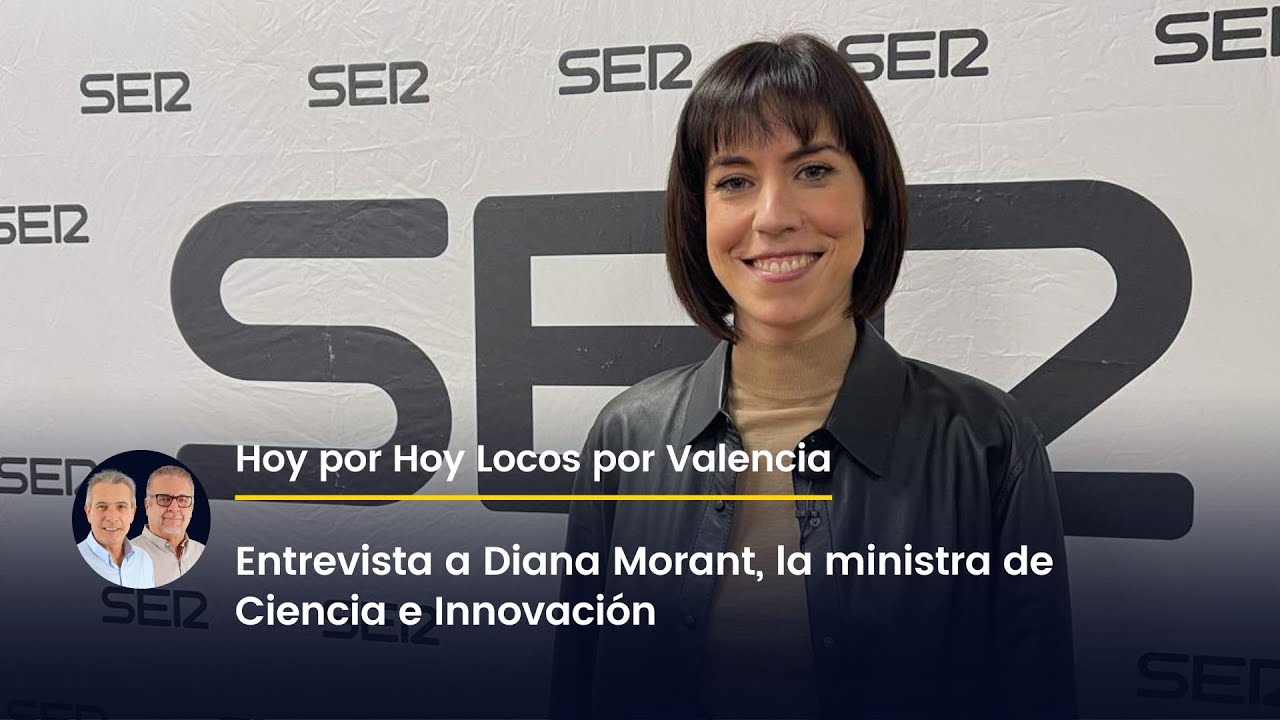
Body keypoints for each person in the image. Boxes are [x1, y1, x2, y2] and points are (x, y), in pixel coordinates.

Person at [551, 34, 1076, 719]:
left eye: (814, 170)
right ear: (699, 215)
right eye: (735, 181)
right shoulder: (629, 434)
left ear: (871, 199)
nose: (773, 216)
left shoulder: (986, 443)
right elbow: (578, 687)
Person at [77, 470, 155, 589]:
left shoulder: (144, 560)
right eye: (102, 506)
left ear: (132, 513)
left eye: (121, 506)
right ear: (88, 512)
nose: (112, 517)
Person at [130, 465, 206, 586]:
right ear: (147, 505)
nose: (174, 508)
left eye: (182, 500)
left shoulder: (206, 555)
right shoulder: (124, 559)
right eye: (165, 499)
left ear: (192, 507)